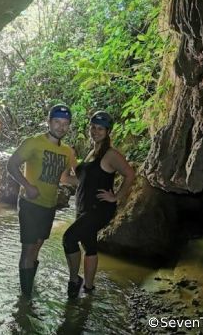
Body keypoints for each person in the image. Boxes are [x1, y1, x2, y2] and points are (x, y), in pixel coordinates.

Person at [63, 111, 135, 298]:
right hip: (83, 206)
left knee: (69, 238)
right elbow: (79, 181)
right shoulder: (91, 153)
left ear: (107, 131)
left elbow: (130, 174)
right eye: (93, 127)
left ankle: (74, 280)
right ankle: (88, 287)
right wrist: (65, 167)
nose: (95, 131)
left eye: (100, 128)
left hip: (99, 208)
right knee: (89, 246)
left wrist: (117, 196)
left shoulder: (110, 154)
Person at [7, 104, 77, 298]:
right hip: (30, 205)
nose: (61, 127)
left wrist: (87, 182)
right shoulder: (33, 142)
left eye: (65, 124)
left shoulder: (67, 151)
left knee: (37, 247)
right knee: (28, 251)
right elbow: (11, 165)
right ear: (49, 122)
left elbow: (64, 178)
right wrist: (27, 186)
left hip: (49, 206)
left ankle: (29, 288)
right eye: (57, 122)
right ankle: (26, 299)